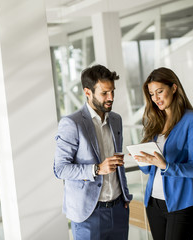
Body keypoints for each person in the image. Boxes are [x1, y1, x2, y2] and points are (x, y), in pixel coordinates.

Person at [54, 64, 132, 240]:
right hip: (88, 214)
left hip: (119, 209)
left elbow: (117, 163)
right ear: (88, 92)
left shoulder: (116, 120)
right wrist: (96, 169)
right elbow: (60, 169)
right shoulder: (71, 124)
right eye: (104, 93)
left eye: (112, 91)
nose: (111, 97)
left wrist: (125, 196)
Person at [133, 67, 193, 240]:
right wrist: (143, 159)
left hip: (181, 204)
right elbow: (149, 171)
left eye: (160, 92)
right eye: (151, 94)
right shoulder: (155, 121)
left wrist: (165, 165)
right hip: (153, 203)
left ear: (174, 88)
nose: (155, 98)